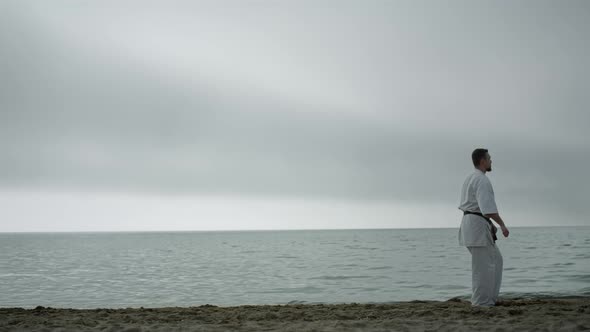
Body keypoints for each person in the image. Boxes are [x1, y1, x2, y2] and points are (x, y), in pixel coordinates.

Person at [458, 148, 510, 307]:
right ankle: (481, 303)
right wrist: (501, 225)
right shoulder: (481, 180)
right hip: (476, 227)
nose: (491, 161)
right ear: (482, 161)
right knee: (483, 267)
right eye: (489, 158)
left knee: (496, 260)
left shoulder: (470, 178)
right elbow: (487, 209)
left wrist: (490, 225)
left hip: (474, 224)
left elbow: (478, 208)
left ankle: (490, 299)